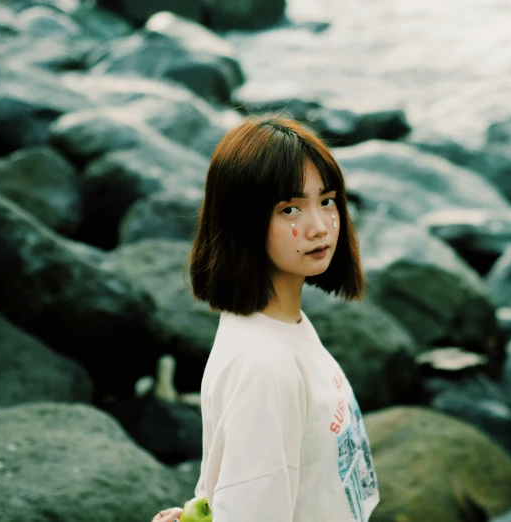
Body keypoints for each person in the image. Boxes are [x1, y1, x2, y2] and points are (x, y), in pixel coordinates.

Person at [152, 116, 380, 522]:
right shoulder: (264, 364)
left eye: (326, 200)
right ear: (243, 224)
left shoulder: (283, 327)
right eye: (290, 209)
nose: (318, 227)